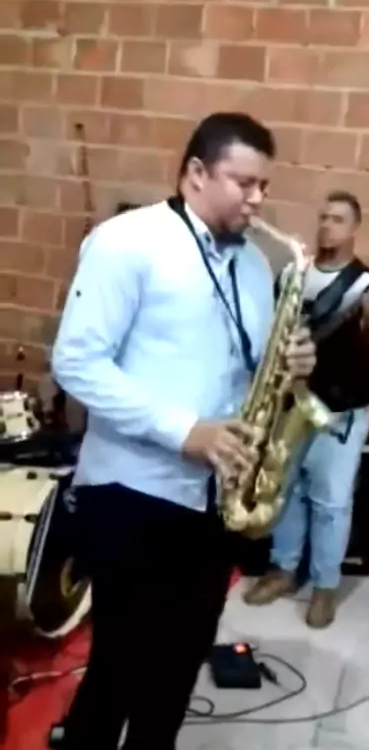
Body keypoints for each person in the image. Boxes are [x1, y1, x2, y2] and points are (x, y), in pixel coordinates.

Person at [49, 112, 316, 750]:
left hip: (215, 502)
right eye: (243, 182)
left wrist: (288, 367)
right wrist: (184, 431)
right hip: (133, 493)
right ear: (196, 172)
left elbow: (248, 371)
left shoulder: (256, 266)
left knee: (176, 671)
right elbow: (77, 362)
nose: (257, 199)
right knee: (117, 669)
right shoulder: (128, 241)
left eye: (264, 186)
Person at [244, 190, 369, 628]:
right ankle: (283, 569)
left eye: (338, 219)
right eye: (324, 217)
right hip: (291, 403)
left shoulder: (368, 285)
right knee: (283, 490)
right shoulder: (294, 273)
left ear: (355, 228)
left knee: (331, 502)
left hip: (341, 410)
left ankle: (325, 586)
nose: (328, 225)